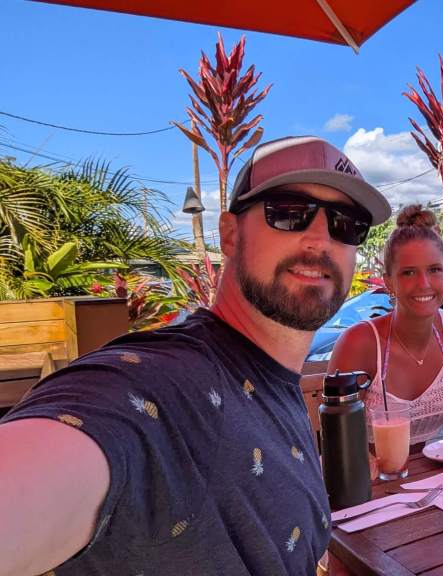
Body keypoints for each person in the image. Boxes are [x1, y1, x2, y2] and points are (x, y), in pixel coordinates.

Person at [0, 136, 391, 576]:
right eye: (287, 212)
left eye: (346, 223)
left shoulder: (272, 381)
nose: (320, 238)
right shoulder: (164, 382)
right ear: (229, 234)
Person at [328, 205, 443, 443]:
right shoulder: (359, 343)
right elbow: (340, 446)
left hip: (438, 477)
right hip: (373, 479)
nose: (424, 284)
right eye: (408, 273)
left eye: (434, 270)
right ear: (389, 282)